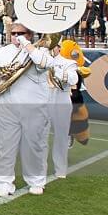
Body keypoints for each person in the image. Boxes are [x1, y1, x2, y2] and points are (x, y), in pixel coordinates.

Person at [0, 22, 52, 196]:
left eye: (21, 33)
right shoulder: (2, 52)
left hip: (34, 106)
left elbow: (44, 64)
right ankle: (4, 183)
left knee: (33, 146)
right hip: (7, 104)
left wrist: (27, 45)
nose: (16, 36)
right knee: (6, 146)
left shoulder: (39, 51)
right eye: (14, 33)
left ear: (30, 34)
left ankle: (36, 181)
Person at [47, 40, 80, 180]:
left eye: (51, 46)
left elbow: (74, 78)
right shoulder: (37, 62)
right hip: (41, 102)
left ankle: (60, 169)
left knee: (60, 137)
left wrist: (54, 71)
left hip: (60, 102)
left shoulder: (68, 63)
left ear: (58, 48)